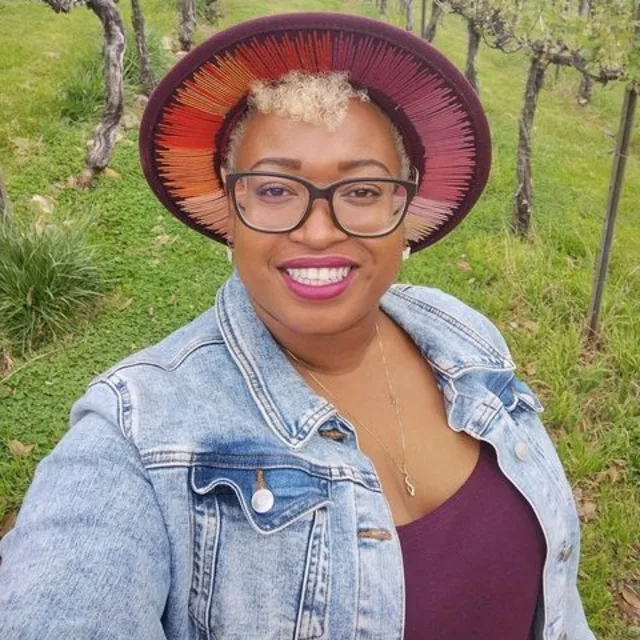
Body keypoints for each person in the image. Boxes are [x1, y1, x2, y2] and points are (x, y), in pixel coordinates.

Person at [0, 12, 593, 640]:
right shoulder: (136, 439)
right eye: (276, 190)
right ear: (231, 212)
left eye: (362, 191)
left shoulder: (466, 336)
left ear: (404, 209)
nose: (317, 232)